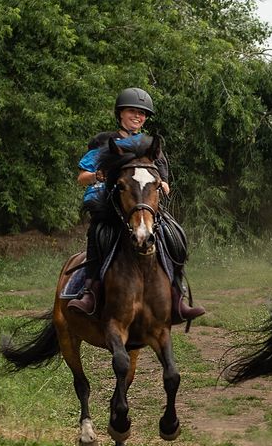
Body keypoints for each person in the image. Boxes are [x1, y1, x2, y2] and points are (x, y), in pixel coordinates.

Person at [68, 87, 206, 324]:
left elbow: (164, 181)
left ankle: (178, 295)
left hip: (144, 204)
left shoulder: (150, 145)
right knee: (98, 233)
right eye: (133, 111)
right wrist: (97, 177)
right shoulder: (104, 141)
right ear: (120, 113)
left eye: (142, 114)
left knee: (174, 235)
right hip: (111, 203)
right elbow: (82, 177)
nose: (138, 117)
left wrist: (162, 184)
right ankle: (90, 292)